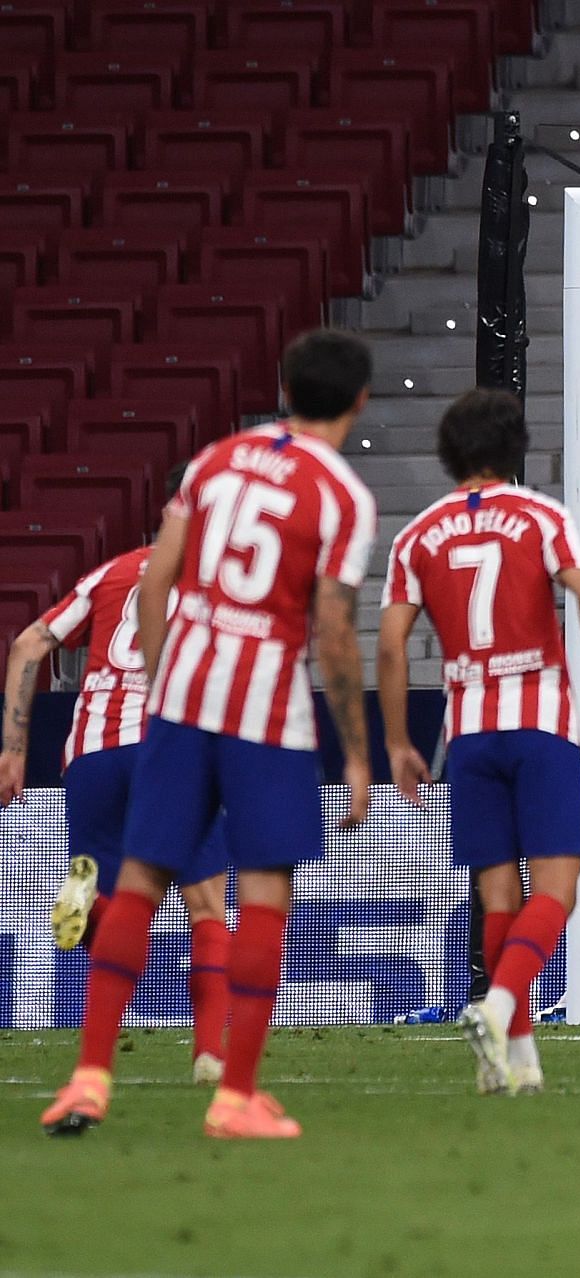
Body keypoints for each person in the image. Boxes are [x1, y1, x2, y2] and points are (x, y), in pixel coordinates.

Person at [38, 329, 378, 1139]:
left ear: (286, 387)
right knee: (256, 894)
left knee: (138, 883)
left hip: (179, 701)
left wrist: (167, 681)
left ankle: (88, 1080)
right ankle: (235, 1097)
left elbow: (156, 582)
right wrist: (358, 751)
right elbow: (332, 630)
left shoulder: (215, 463)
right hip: (265, 710)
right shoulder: (341, 495)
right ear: (360, 401)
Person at [379, 388, 580, 1096]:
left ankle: (515, 1063)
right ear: (515, 450)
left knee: (498, 897)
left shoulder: (418, 535)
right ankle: (497, 1006)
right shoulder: (541, 515)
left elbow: (392, 643)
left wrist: (398, 739)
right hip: (540, 724)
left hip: (472, 732)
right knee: (557, 889)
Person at [2, 465, 234, 1084]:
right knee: (207, 907)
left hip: (92, 753)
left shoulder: (113, 572)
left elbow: (28, 643)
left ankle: (81, 904)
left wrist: (13, 749)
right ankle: (209, 1053)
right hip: (169, 748)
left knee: (104, 893)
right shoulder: (220, 585)